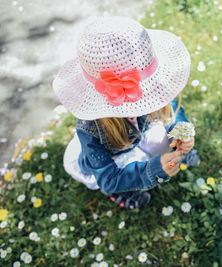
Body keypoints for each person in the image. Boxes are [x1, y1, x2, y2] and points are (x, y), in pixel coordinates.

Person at [52, 16, 199, 209]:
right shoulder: (90, 129)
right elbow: (108, 177)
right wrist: (154, 169)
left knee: (159, 136)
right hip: (108, 158)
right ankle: (125, 191)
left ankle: (170, 153)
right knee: (123, 170)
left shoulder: (153, 89)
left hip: (135, 136)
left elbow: (171, 108)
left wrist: (180, 133)